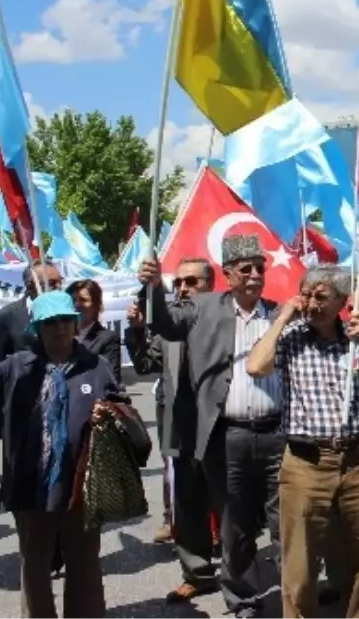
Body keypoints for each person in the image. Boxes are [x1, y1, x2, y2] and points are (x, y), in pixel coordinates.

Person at [140, 235, 285, 619]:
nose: (255, 275)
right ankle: (244, 600)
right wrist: (153, 288)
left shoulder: (277, 313)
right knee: (234, 523)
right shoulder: (203, 308)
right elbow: (166, 324)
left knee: (285, 520)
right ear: (228, 275)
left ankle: (295, 595)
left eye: (260, 268)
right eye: (246, 269)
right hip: (227, 436)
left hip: (276, 435)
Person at [246, 265, 359, 619]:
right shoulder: (292, 336)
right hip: (306, 461)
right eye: (306, 294)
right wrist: (282, 318)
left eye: (321, 297)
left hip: (358, 458)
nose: (311, 303)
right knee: (300, 563)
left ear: (342, 301)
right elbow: (255, 366)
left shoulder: (358, 338)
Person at [0, 291, 124, 618]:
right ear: (37, 328)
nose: (60, 328)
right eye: (51, 322)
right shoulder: (17, 366)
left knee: (84, 566)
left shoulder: (94, 366)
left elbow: (121, 406)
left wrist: (110, 414)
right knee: (35, 566)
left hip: (82, 486)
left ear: (75, 323)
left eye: (66, 320)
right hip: (31, 485)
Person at [125, 257, 220, 602]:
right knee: (188, 505)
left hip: (221, 429)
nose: (182, 289)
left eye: (191, 282)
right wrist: (136, 330)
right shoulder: (168, 330)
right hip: (181, 429)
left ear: (210, 285)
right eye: (178, 282)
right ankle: (197, 573)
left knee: (232, 507)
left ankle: (244, 578)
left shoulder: (228, 320)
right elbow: (145, 364)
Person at [0, 260, 62, 439]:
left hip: (61, 402)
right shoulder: (7, 316)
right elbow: (0, 360)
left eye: (60, 281)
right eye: (52, 284)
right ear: (32, 286)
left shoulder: (67, 313)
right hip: (24, 408)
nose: (59, 288)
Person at [66, 279, 122, 385]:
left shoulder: (107, 339)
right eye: (73, 300)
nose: (77, 305)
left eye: (83, 300)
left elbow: (111, 380)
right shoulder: (61, 337)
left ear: (97, 305)